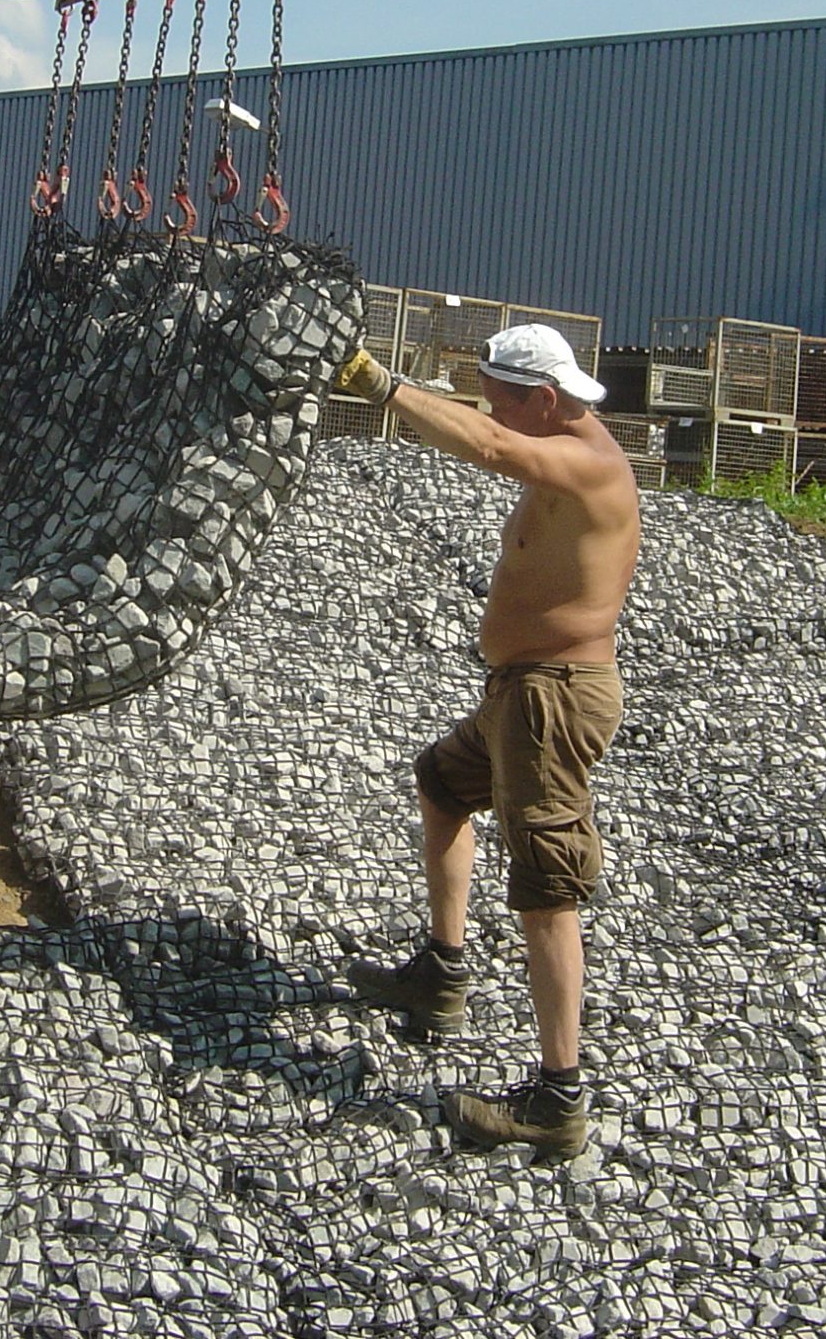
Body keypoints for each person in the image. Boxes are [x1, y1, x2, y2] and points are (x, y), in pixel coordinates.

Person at [332, 321, 643, 1159]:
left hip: (554, 700)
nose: (491, 413)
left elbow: (491, 449)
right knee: (442, 783)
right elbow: (495, 436)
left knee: (547, 885)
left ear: (544, 399)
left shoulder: (590, 464)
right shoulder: (555, 440)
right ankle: (441, 974)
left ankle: (557, 1098)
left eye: (503, 402)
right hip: (520, 694)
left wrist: (378, 385)